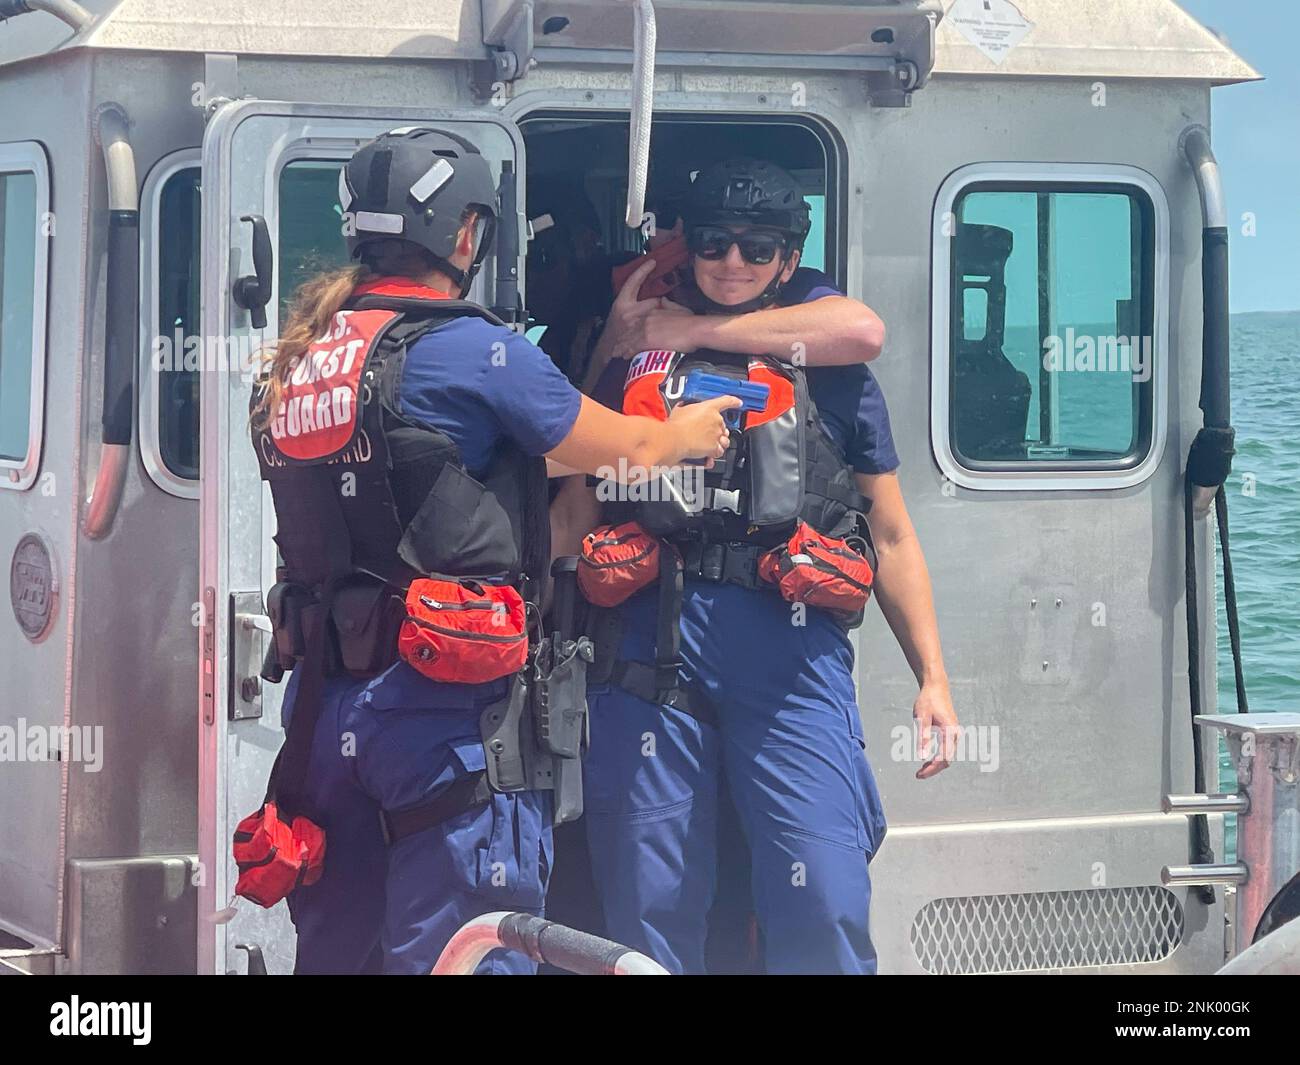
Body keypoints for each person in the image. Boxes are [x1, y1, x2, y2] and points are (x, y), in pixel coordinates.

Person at [244, 128, 736, 975]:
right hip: (441, 725)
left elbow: (448, 509)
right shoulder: (475, 351)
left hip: (326, 718)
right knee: (471, 951)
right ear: (466, 236)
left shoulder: (299, 361)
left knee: (342, 953)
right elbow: (628, 449)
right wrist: (689, 431)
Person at [551, 157, 959, 975]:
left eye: (757, 246)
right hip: (647, 663)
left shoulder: (835, 370)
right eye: (712, 244)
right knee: (647, 907)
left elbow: (892, 534)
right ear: (686, 249)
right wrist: (608, 351)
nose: (733, 263)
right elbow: (568, 517)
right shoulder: (626, 354)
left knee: (824, 894)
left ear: (789, 257)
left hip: (792, 666)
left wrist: (934, 678)